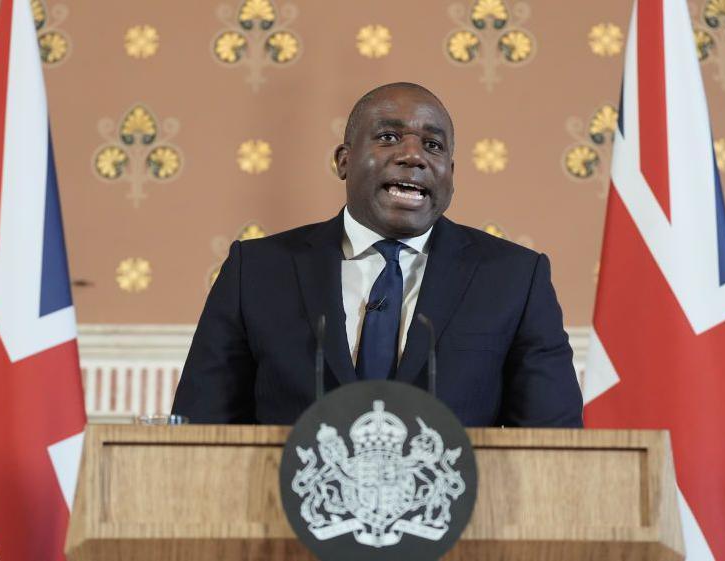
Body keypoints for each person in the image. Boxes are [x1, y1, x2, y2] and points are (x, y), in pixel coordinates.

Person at [171, 82, 583, 427]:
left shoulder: (513, 278)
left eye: (433, 145)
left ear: (451, 176)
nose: (413, 155)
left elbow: (555, 444)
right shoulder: (257, 271)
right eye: (388, 137)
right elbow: (200, 431)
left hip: (461, 519)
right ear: (343, 161)